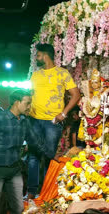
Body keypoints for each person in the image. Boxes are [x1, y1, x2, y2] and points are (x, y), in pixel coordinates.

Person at [0, 89, 48, 213]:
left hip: (15, 170)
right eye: (27, 103)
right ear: (17, 102)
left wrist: (52, 155)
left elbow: (35, 143)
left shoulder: (24, 121)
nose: (29, 107)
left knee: (19, 208)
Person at [27, 43, 80, 199]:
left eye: (38, 55)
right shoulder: (35, 75)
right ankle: (31, 192)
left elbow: (76, 95)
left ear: (45, 55)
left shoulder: (62, 74)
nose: (36, 58)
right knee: (33, 156)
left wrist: (63, 114)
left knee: (49, 156)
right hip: (34, 120)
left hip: (52, 122)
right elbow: (30, 95)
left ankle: (46, 192)